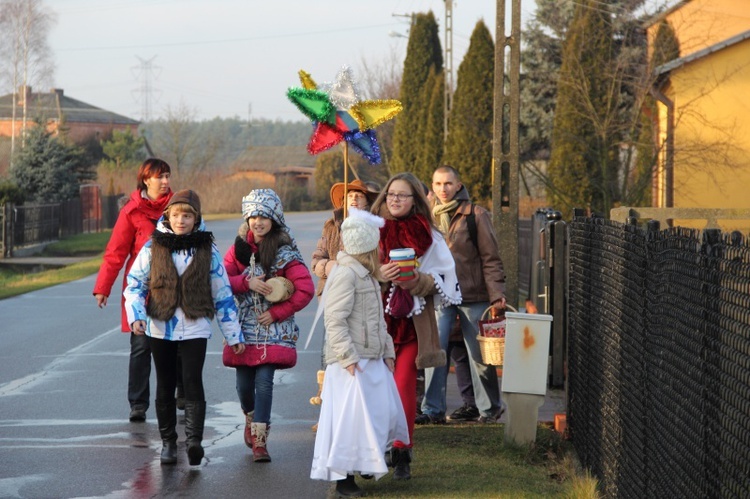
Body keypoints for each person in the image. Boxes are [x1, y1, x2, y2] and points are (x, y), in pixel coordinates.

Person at [123, 190, 246, 466]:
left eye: (187, 215)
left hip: (195, 326)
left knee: (192, 382)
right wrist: (137, 316)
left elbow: (223, 293)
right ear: (168, 216)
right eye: (176, 214)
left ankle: (194, 441)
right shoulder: (153, 247)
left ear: (196, 218)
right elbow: (134, 284)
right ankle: (168, 443)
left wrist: (233, 334)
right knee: (165, 384)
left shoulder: (207, 250)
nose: (181, 220)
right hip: (160, 326)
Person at [310, 207, 408, 497]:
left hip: (373, 358)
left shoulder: (367, 276)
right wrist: (347, 357)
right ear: (366, 247)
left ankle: (369, 461)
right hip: (352, 362)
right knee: (350, 421)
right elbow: (335, 319)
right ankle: (344, 477)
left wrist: (387, 349)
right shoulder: (346, 275)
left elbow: (378, 321)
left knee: (381, 413)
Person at [372, 172, 461, 480]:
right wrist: (379, 272)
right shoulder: (370, 230)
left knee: (402, 386)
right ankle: (373, 449)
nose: (395, 200)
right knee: (374, 390)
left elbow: (446, 278)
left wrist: (419, 281)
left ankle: (402, 450)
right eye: (391, 194)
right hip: (374, 324)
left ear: (415, 201)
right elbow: (353, 268)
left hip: (412, 324)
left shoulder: (429, 235)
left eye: (402, 195)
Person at [223, 188, 314, 462]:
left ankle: (260, 439)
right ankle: (250, 418)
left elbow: (306, 288)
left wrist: (278, 313)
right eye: (253, 216)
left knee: (264, 382)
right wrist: (245, 282)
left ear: (274, 218)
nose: (258, 222)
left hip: (274, 330)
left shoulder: (285, 252)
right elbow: (220, 281)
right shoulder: (238, 250)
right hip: (244, 330)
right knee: (242, 386)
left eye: (264, 216)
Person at [420, 165, 507, 426]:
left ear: (459, 186)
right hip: (440, 294)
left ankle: (490, 409)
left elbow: (490, 258)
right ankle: (432, 410)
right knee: (435, 351)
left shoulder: (476, 215)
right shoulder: (427, 217)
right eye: (437, 184)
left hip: (473, 296)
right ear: (432, 187)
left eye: (448, 183)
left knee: (479, 356)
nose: (443, 189)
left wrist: (496, 295)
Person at [93, 158, 173, 422]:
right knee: (141, 347)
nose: (165, 182)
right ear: (146, 180)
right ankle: (138, 404)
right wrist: (103, 287)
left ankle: (180, 394)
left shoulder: (178, 207)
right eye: (159, 177)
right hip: (142, 291)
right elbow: (115, 252)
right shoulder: (131, 211)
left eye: (167, 176)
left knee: (178, 344)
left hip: (174, 289)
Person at [309, 179, 380, 431]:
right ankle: (327, 411)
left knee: (363, 355)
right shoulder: (331, 227)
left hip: (364, 300)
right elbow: (316, 259)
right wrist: (331, 267)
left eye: (359, 196)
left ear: (368, 202)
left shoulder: (375, 227)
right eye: (350, 195)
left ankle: (362, 412)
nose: (354, 199)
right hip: (333, 297)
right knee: (331, 356)